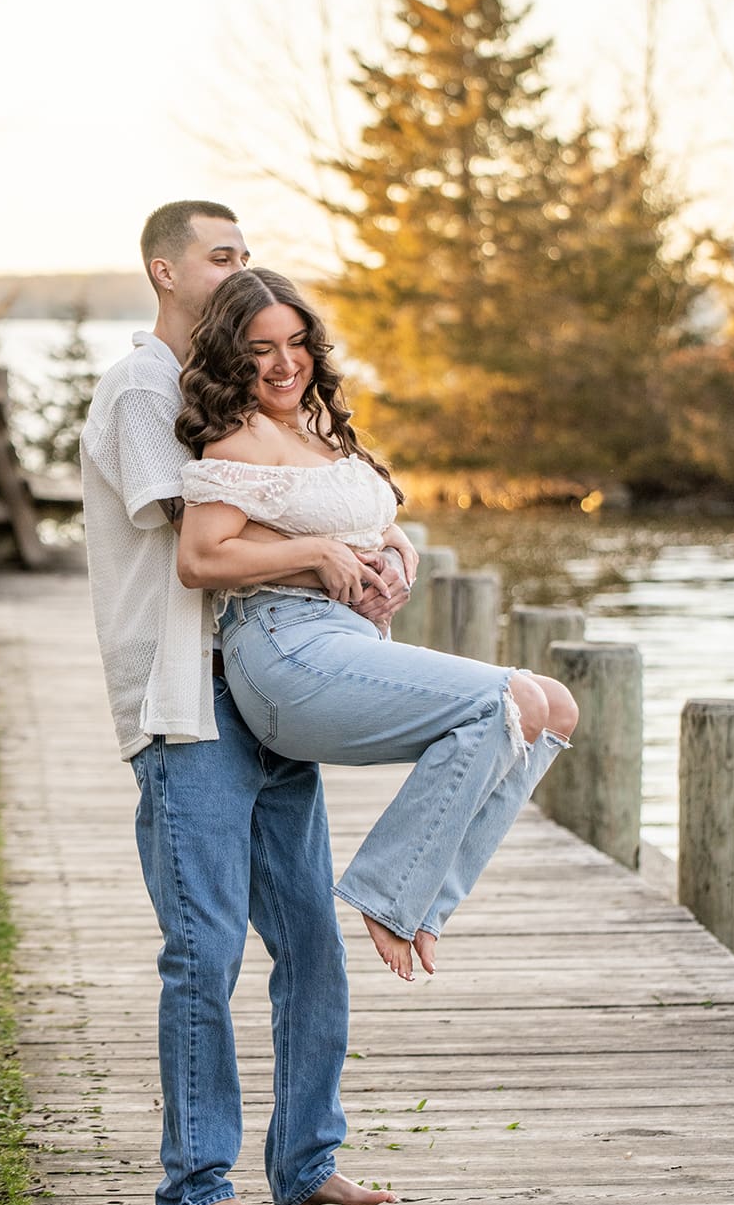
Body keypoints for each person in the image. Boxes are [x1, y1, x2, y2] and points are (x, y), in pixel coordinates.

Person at [79, 201, 408, 1205]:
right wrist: (327, 542)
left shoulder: (218, 392)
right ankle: (194, 1185)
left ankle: (306, 1162)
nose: (236, 272)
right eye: (218, 258)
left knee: (309, 942)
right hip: (188, 701)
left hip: (265, 689)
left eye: (245, 257)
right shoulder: (142, 388)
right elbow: (209, 530)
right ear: (161, 271)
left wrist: (372, 550)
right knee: (204, 948)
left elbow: (281, 509)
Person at [175, 268, 579, 982]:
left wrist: (395, 549)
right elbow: (201, 557)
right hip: (280, 649)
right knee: (506, 700)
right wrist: (320, 554)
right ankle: (389, 891)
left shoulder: (320, 427)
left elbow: (365, 517)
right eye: (261, 347)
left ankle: (422, 902)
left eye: (297, 343)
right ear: (232, 352)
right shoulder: (238, 440)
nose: (283, 363)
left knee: (553, 708)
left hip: (343, 637)